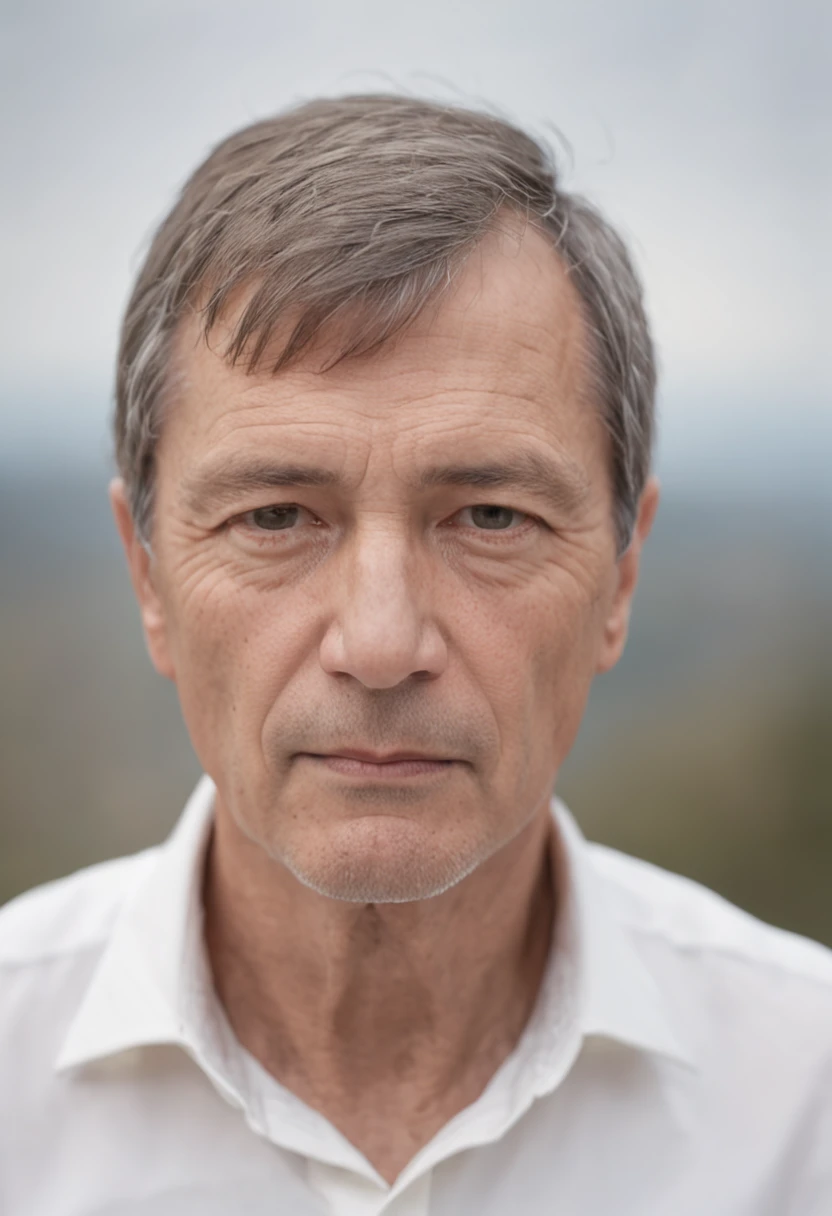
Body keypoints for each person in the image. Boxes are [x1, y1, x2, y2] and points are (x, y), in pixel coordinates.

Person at [1, 94, 830, 1216]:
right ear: (148, 575)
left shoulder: (804, 1102)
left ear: (620, 580)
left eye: (489, 516)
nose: (381, 644)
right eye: (276, 516)